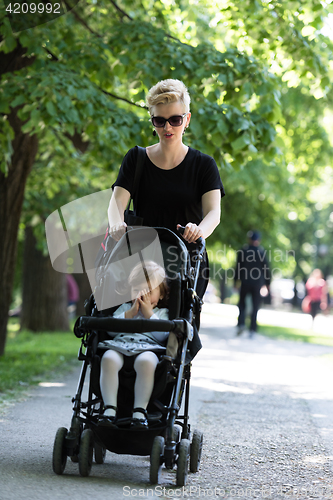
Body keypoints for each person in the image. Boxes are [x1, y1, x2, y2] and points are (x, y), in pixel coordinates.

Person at [107, 79, 225, 299]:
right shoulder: (136, 158)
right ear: (152, 121)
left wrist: (199, 230)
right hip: (140, 263)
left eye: (175, 120)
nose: (167, 127)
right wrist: (116, 224)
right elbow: (116, 203)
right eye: (159, 121)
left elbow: (214, 213)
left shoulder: (204, 165)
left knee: (180, 327)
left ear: (187, 119)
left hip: (186, 263)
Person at [98, 260, 169, 430]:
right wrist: (129, 314)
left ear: (160, 295)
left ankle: (139, 410)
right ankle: (109, 408)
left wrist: (149, 315)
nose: (142, 294)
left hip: (148, 349)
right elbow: (111, 330)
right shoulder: (124, 309)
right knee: (108, 358)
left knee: (146, 362)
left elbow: (163, 336)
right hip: (120, 346)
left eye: (149, 291)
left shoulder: (161, 313)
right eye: (137, 290)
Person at [234, 230, 270, 338]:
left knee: (242, 304)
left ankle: (241, 324)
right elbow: (266, 269)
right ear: (258, 240)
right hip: (257, 283)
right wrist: (267, 284)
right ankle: (252, 330)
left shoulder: (243, 251)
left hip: (245, 282)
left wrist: (236, 282)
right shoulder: (261, 252)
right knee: (255, 307)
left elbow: (238, 268)